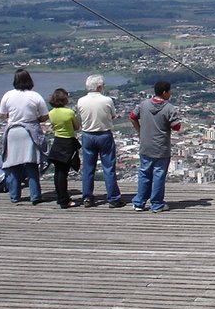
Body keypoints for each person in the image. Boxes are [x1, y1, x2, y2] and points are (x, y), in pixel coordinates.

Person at [0, 68, 48, 205]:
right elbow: (45, 116)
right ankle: (35, 196)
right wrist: (35, 119)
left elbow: (1, 115)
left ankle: (14, 196)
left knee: (14, 164)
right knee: (31, 164)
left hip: (13, 132)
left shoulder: (8, 95)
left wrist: (12, 116)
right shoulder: (35, 96)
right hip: (30, 131)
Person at [130, 80, 181, 213]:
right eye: (169, 91)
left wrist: (140, 131)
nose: (170, 94)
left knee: (144, 173)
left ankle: (139, 203)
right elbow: (176, 127)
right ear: (164, 93)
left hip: (145, 145)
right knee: (158, 175)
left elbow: (132, 116)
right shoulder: (169, 108)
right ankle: (157, 204)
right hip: (161, 147)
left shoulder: (144, 104)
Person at [76, 74, 123, 208]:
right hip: (104, 134)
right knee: (108, 168)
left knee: (88, 168)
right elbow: (113, 115)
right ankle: (113, 198)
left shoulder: (81, 101)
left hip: (88, 135)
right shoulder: (107, 100)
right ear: (100, 86)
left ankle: (87, 197)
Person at [47, 88, 81, 209]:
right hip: (68, 143)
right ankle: (64, 200)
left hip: (57, 142)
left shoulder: (51, 113)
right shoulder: (69, 112)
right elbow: (77, 127)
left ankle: (60, 196)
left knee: (58, 172)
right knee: (63, 173)